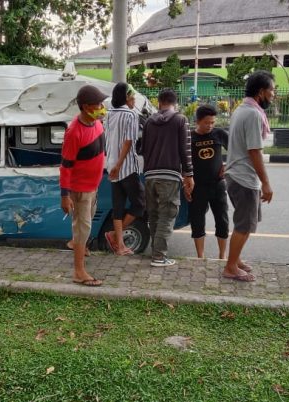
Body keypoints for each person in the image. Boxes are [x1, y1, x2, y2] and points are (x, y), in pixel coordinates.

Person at [222, 71, 275, 281]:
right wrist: (266, 183)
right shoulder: (252, 114)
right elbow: (254, 151)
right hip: (243, 176)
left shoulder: (242, 110)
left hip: (238, 174)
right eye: (271, 90)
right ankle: (230, 267)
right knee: (244, 225)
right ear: (261, 92)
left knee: (247, 223)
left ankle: (236, 260)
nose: (273, 94)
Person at [60, 85, 108, 286]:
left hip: (93, 186)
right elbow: (66, 165)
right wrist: (65, 195)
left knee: (84, 226)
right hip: (80, 189)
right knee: (83, 227)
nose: (102, 107)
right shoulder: (74, 132)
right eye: (98, 104)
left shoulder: (97, 124)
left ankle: (78, 244)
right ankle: (79, 272)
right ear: (87, 107)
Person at [140, 88, 194, 267]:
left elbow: (141, 149)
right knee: (168, 214)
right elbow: (185, 150)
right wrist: (189, 174)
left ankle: (155, 252)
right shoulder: (180, 120)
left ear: (159, 102)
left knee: (154, 214)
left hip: (149, 175)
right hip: (169, 175)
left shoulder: (148, 122)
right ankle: (159, 257)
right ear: (174, 102)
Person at [103, 83, 145, 256]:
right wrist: (119, 165)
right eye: (132, 96)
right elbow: (129, 142)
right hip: (125, 167)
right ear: (126, 97)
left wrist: (113, 166)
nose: (134, 99)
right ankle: (113, 235)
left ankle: (119, 245)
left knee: (118, 206)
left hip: (111, 165)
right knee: (140, 203)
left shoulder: (109, 115)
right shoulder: (131, 114)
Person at [189, 104, 229, 259]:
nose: (210, 126)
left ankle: (222, 256)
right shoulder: (190, 137)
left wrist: (227, 165)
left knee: (222, 220)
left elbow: (235, 149)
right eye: (207, 122)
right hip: (197, 187)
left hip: (218, 185)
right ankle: (200, 256)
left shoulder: (219, 134)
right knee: (197, 222)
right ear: (198, 121)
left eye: (213, 122)